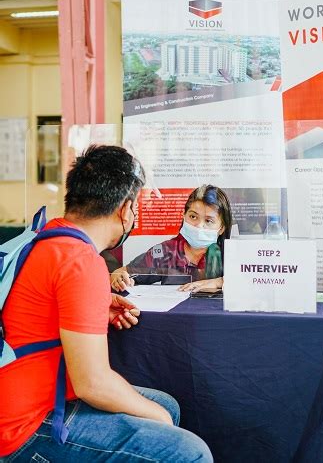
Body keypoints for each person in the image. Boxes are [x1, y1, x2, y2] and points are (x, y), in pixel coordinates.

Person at [0, 146, 213, 462]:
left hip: (27, 394)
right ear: (126, 210)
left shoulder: (46, 236)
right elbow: (93, 383)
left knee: (166, 405)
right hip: (23, 428)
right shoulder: (80, 261)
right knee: (187, 451)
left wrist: (96, 303)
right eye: (136, 207)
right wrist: (162, 423)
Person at [111, 184, 232, 294]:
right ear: (183, 216)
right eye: (193, 216)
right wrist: (118, 278)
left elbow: (249, 281)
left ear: (221, 228)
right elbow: (120, 273)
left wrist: (219, 282)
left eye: (208, 221)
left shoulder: (230, 254)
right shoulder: (166, 251)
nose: (199, 225)